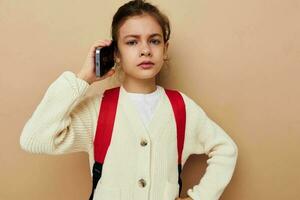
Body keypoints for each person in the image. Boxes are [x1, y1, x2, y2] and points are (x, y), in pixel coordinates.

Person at [19, 0, 238, 200]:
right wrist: (83, 78)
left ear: (165, 49)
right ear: (116, 53)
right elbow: (35, 138)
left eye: (154, 41)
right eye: (132, 42)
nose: (145, 50)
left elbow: (226, 149)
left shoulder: (181, 107)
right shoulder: (98, 109)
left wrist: (200, 197)